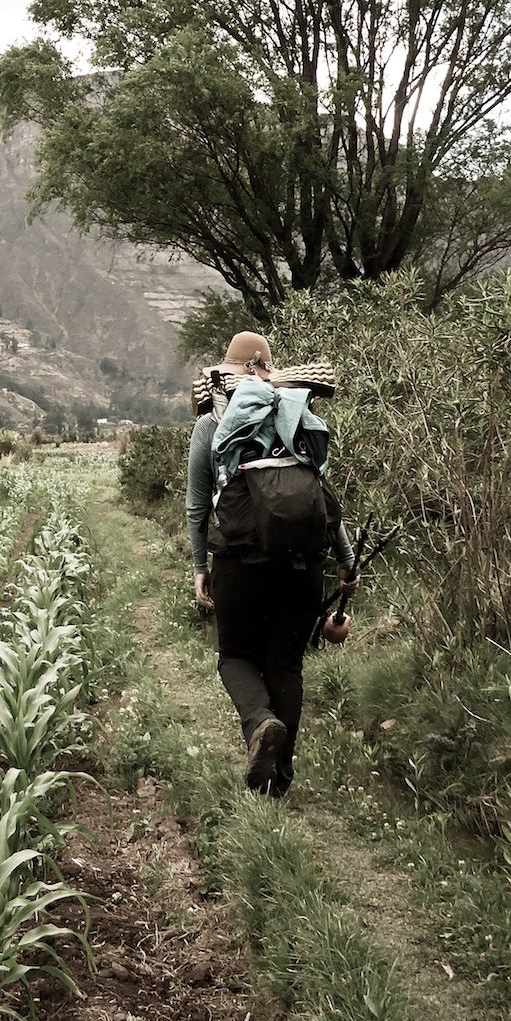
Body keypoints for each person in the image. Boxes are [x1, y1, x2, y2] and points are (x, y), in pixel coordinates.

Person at [186, 332, 355, 796]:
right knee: (285, 666)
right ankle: (279, 781)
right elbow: (323, 496)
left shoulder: (214, 420)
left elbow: (198, 507)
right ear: (269, 368)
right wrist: (347, 562)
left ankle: (260, 724)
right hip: (305, 560)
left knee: (236, 657)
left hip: (240, 562)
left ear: (229, 370)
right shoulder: (302, 414)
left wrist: (201, 566)